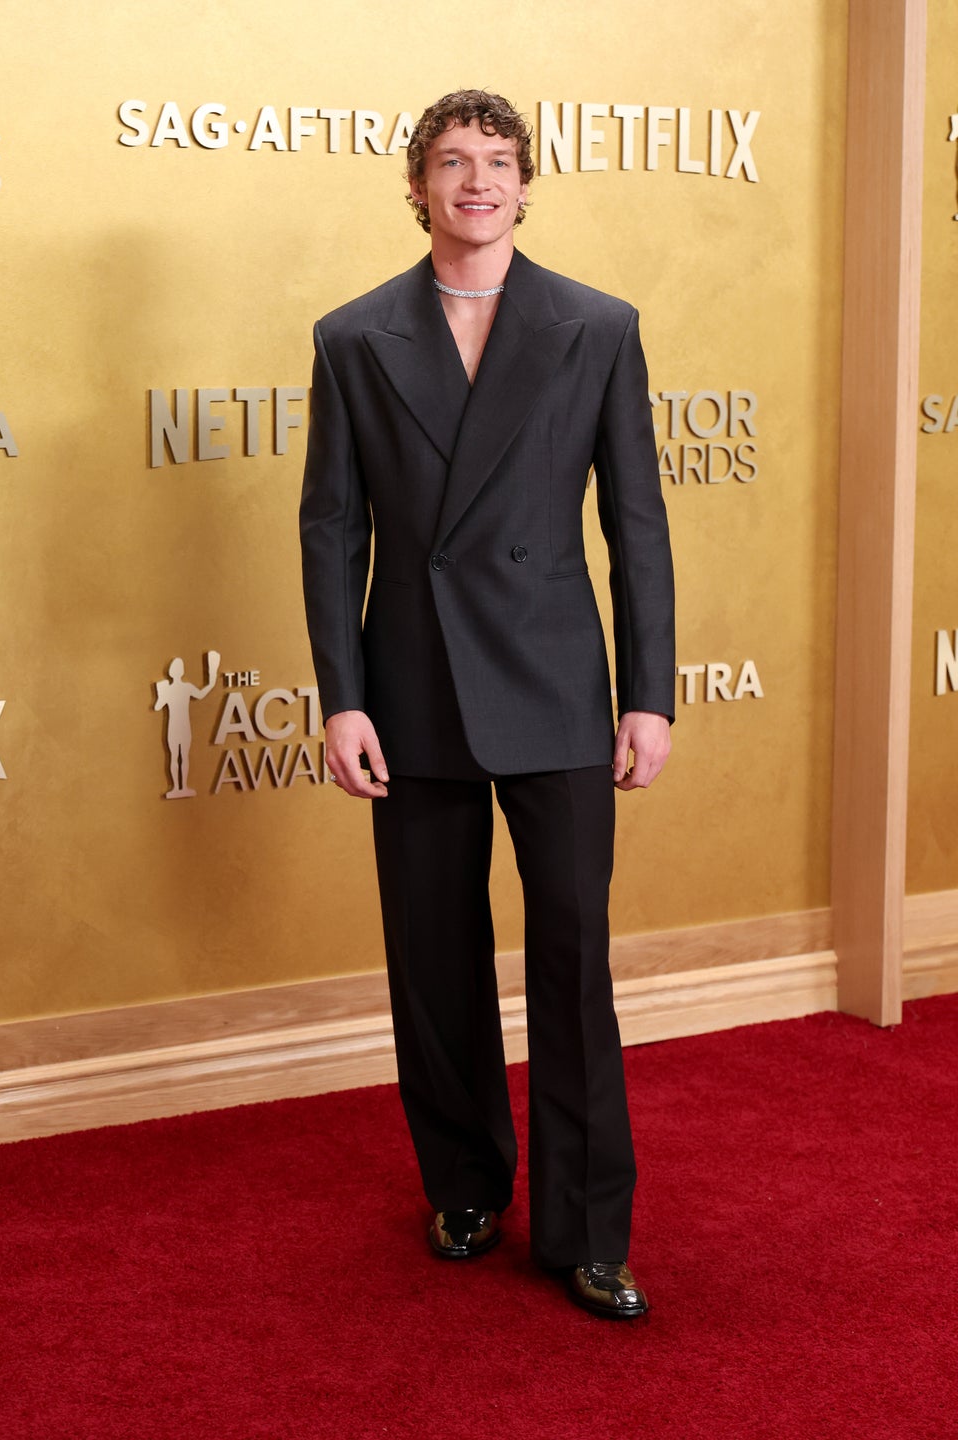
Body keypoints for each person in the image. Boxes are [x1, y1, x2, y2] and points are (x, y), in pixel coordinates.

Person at [300, 90, 675, 1319]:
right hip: (411, 687)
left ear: (524, 184)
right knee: (434, 957)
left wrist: (648, 694)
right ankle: (464, 1183)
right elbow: (332, 530)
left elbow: (636, 525)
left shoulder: (597, 326)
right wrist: (343, 699)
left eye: (498, 161)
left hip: (558, 681)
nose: (477, 181)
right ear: (417, 186)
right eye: (453, 161)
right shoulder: (354, 337)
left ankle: (587, 1231)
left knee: (572, 955)